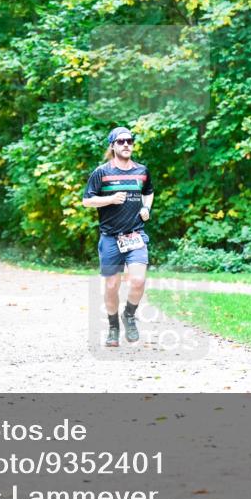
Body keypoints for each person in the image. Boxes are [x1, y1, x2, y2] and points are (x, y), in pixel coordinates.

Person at [82, 126, 154, 347]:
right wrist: (110, 199)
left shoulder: (141, 170)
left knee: (138, 280)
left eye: (130, 141)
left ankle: (129, 315)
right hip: (111, 237)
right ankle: (113, 327)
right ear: (112, 145)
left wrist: (146, 209)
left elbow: (148, 192)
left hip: (135, 235)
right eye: (121, 142)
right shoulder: (101, 172)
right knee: (112, 287)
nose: (126, 145)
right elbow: (87, 201)